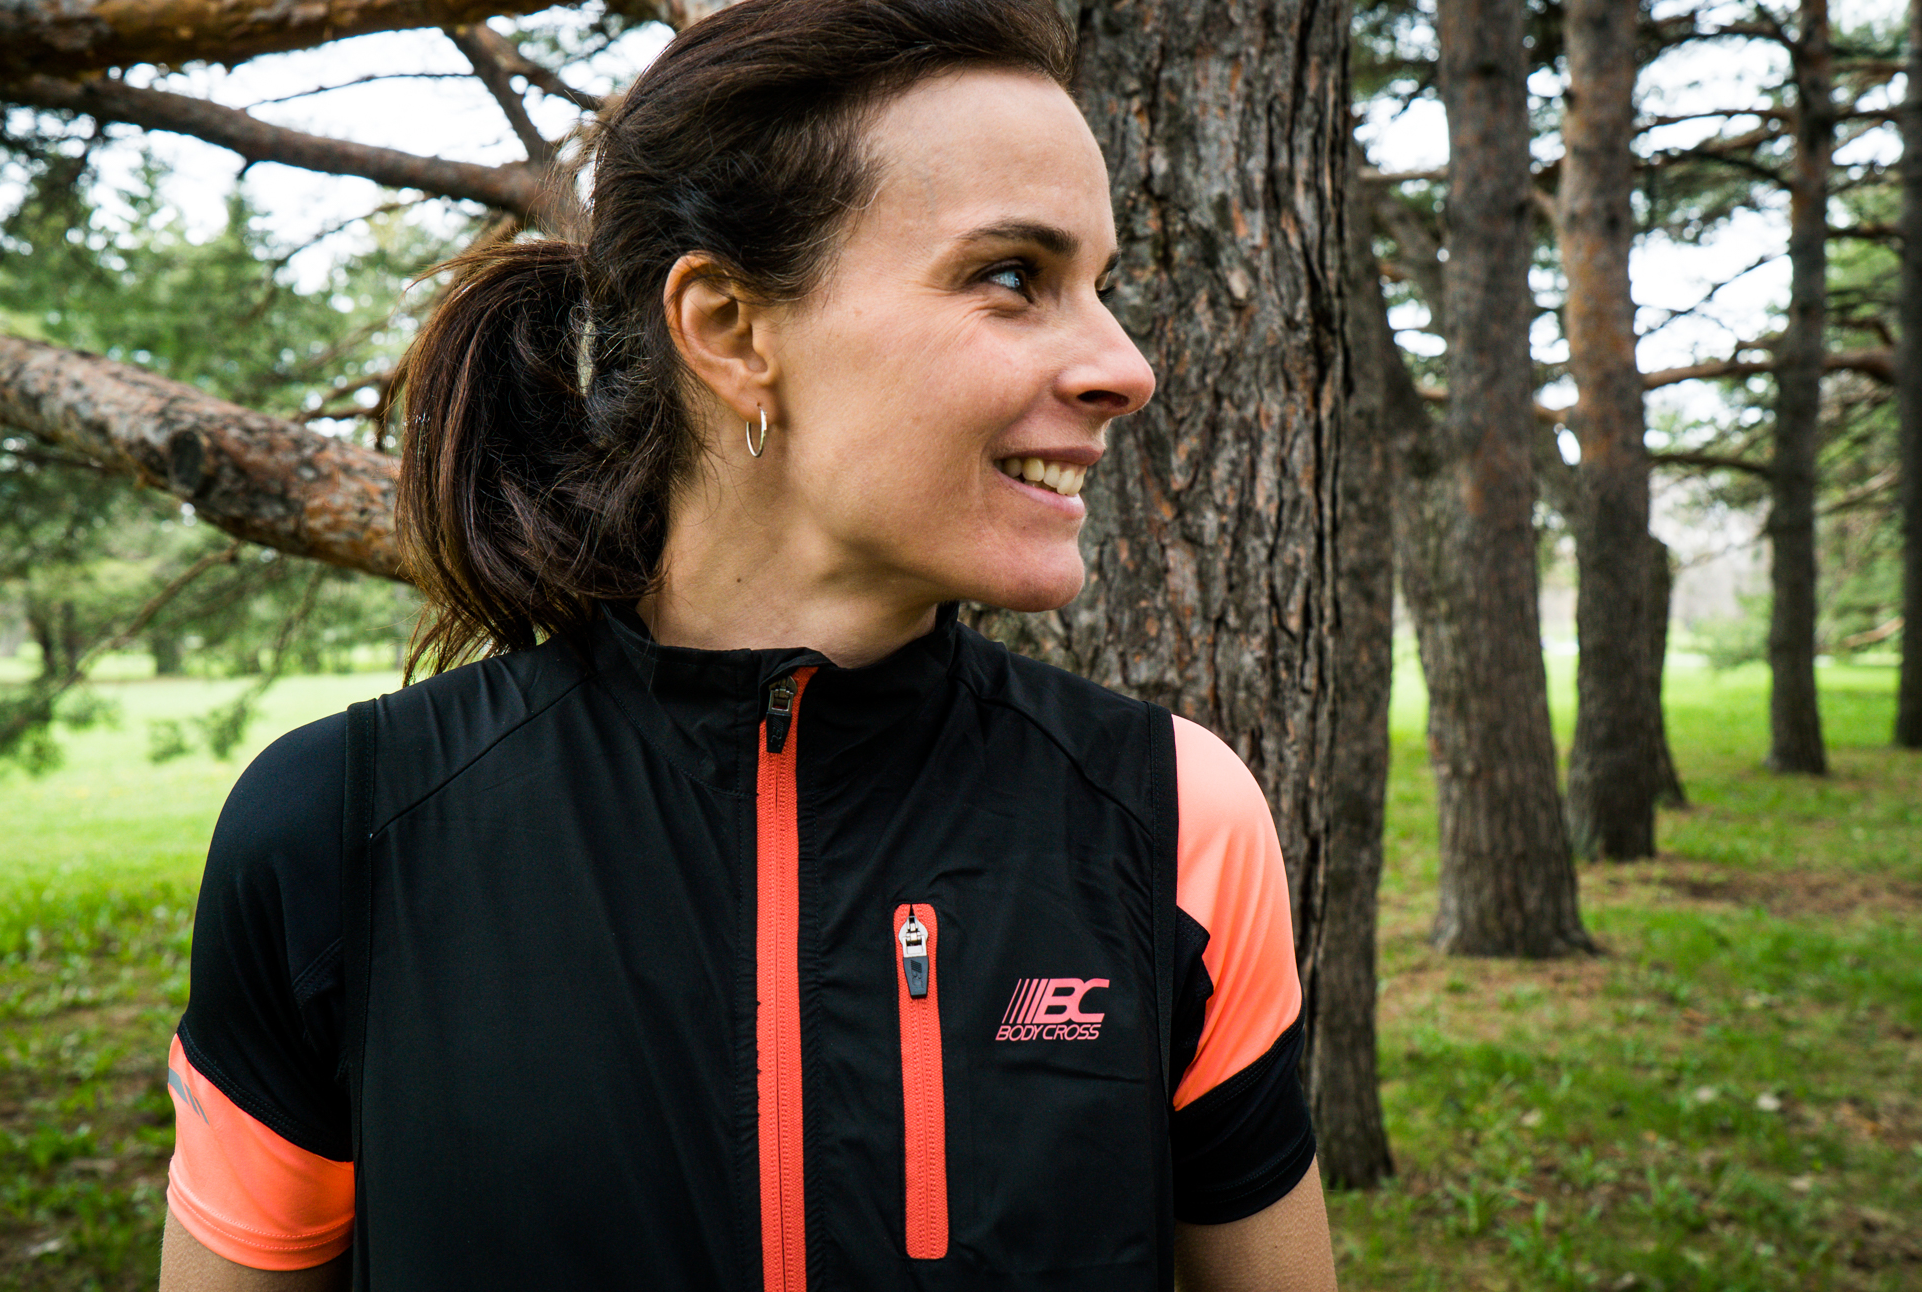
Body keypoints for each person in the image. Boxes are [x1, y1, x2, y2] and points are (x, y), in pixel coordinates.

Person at [158, 1, 1339, 1288]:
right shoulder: (339, 833)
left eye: (1100, 288)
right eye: (1011, 276)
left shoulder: (1172, 818)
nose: (1125, 366)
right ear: (728, 328)